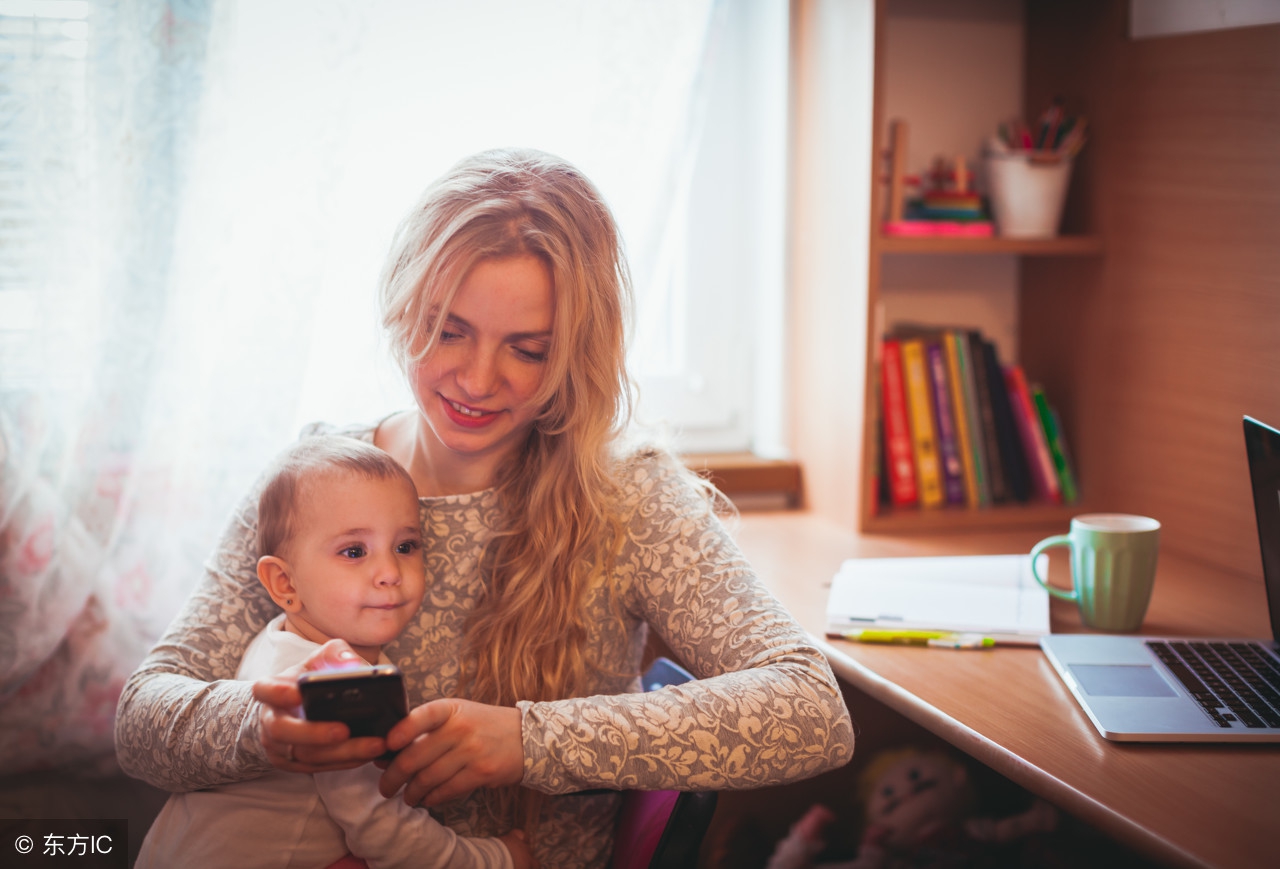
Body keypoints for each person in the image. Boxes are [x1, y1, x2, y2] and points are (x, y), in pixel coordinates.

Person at [117, 147, 856, 868]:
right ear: (405, 308)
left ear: (574, 354)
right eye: (449, 330)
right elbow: (144, 721)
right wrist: (262, 726)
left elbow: (812, 710)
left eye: (527, 350)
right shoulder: (322, 480)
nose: (475, 379)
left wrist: (530, 740)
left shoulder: (624, 496)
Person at [134, 436, 534, 869]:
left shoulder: (276, 640)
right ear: (284, 584)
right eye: (354, 551)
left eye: (405, 546)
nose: (389, 573)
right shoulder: (342, 687)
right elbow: (385, 834)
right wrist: (497, 859)